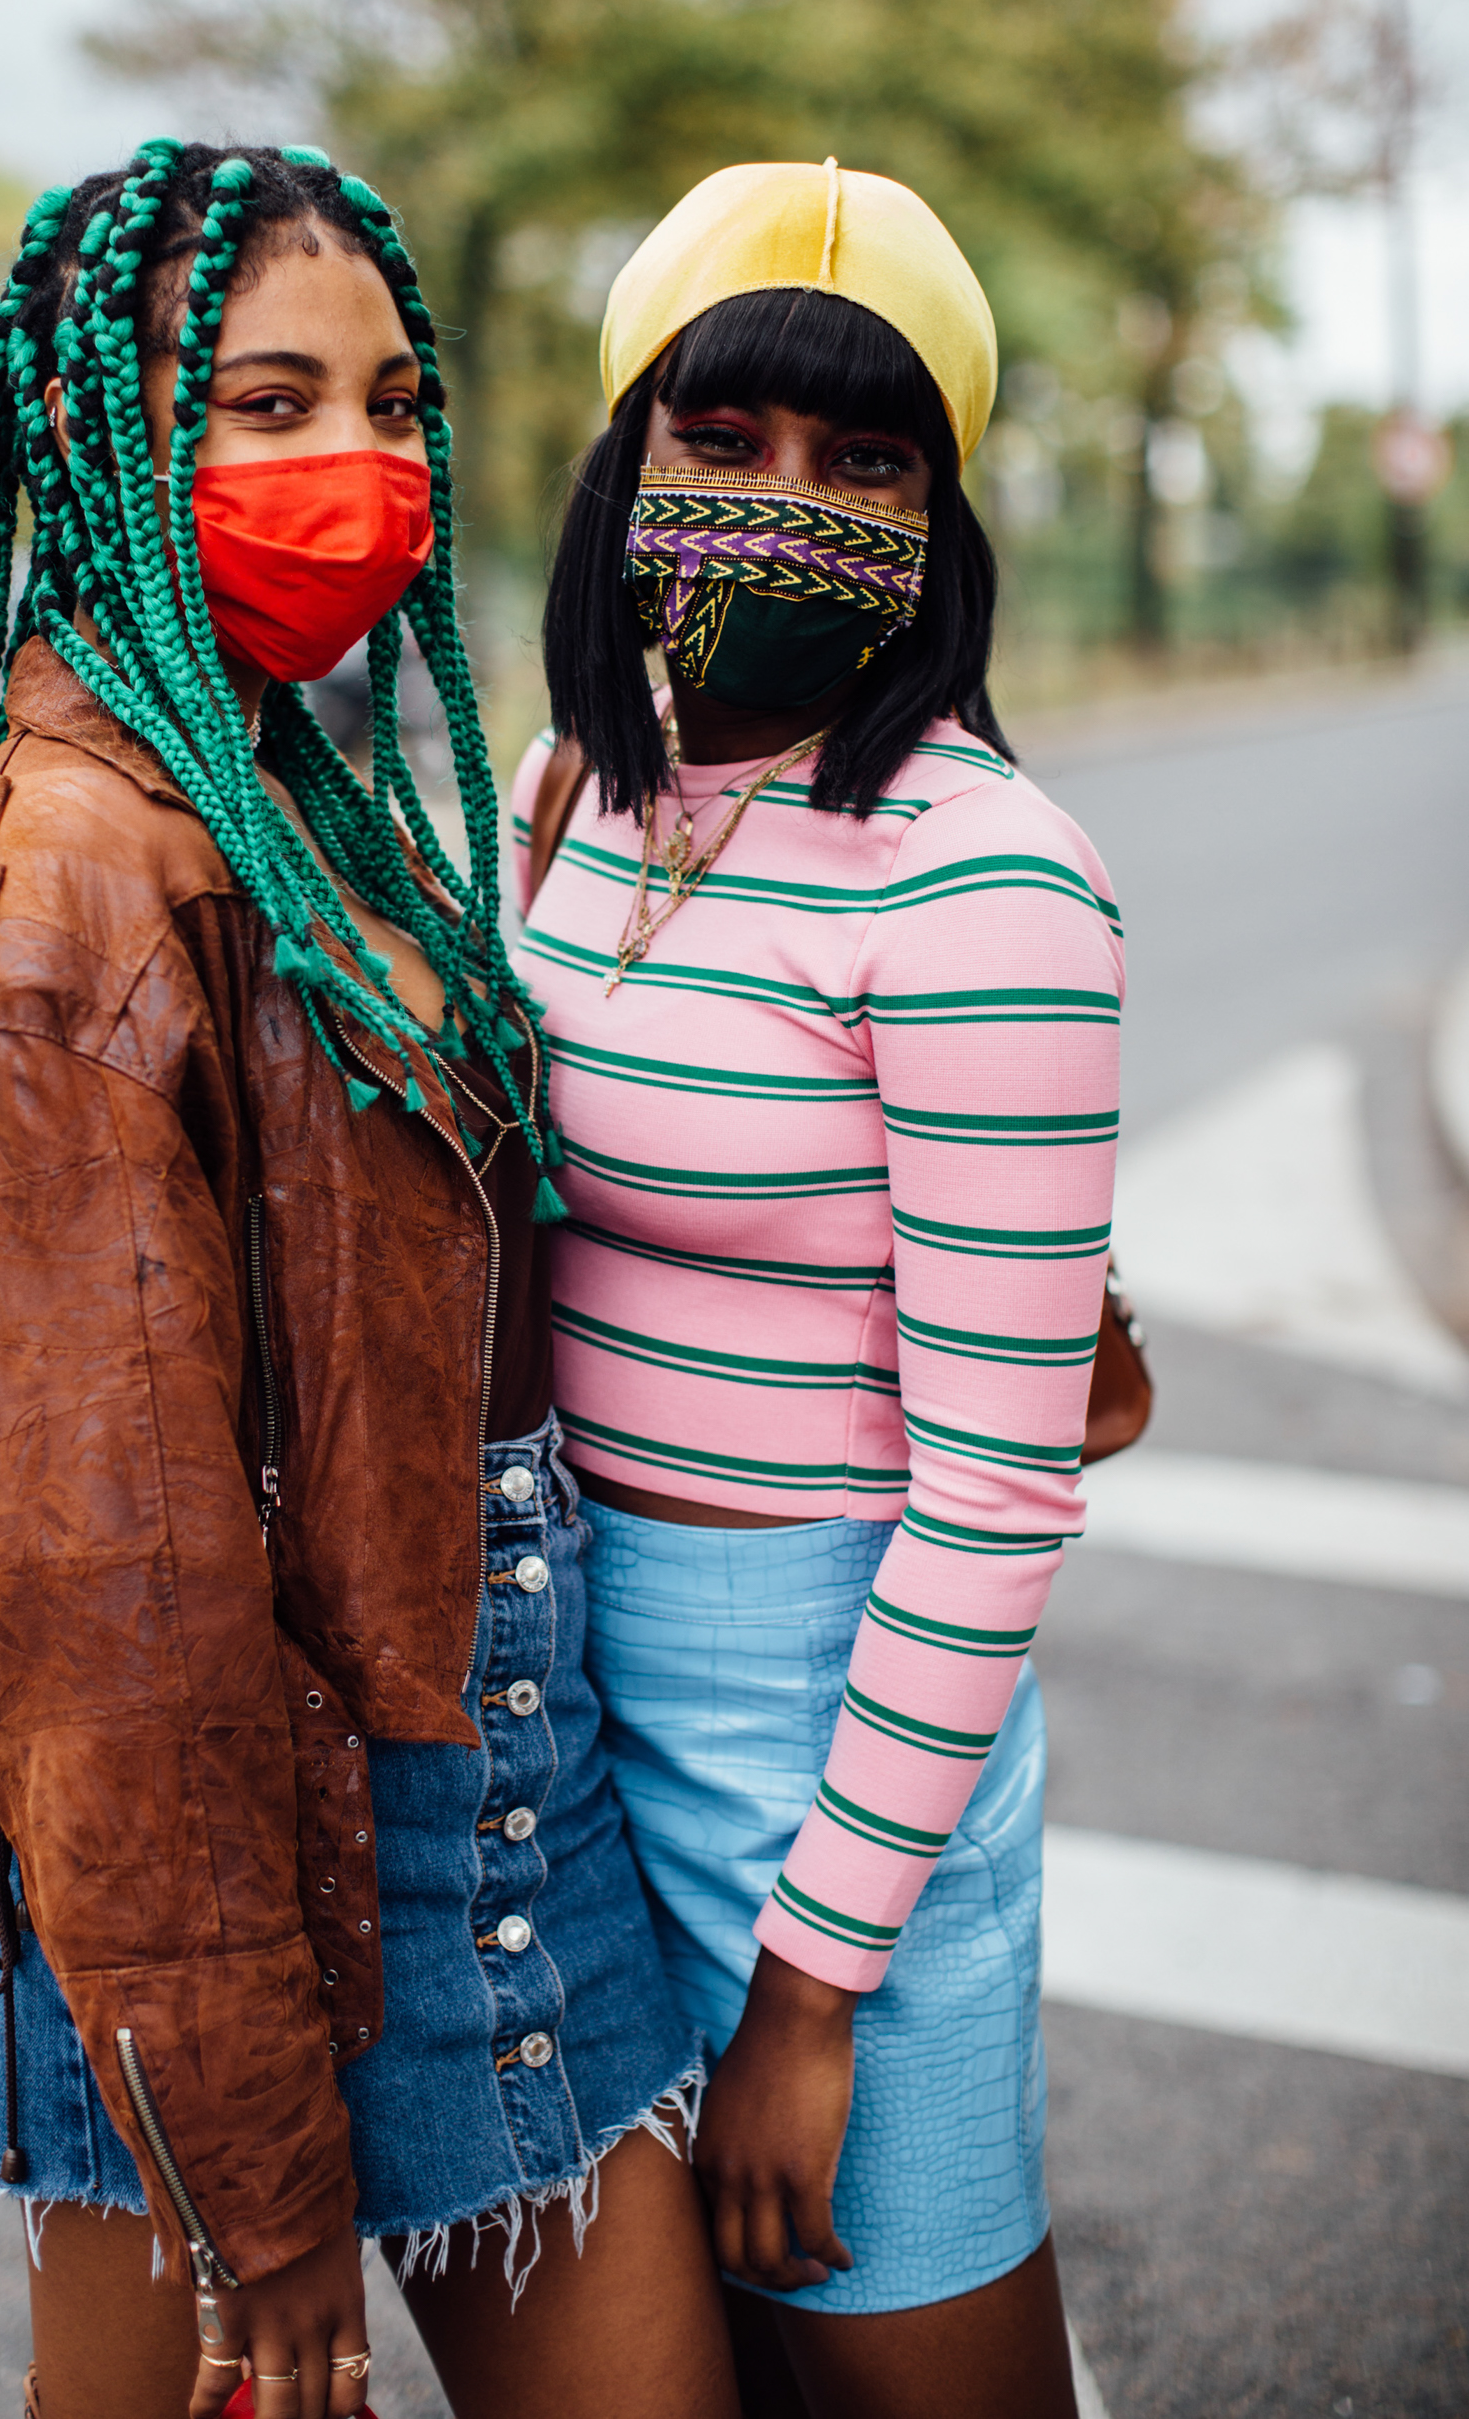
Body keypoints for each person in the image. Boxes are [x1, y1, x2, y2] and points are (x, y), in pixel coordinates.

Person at [0, 141, 740, 2419]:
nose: (363, 467)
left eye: (397, 403)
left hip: (496, 1780)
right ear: (111, 446)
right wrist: (253, 2187)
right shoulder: (62, 908)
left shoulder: (275, 797)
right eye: (268, 404)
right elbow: (109, 1609)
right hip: (230, 1867)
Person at [512, 159, 1123, 2419]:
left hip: (830, 1767)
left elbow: (995, 1501)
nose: (790, 503)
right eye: (727, 440)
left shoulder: (994, 886)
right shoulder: (574, 799)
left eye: (867, 460)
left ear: (943, 525)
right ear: (627, 466)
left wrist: (814, 1992)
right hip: (564, 1746)